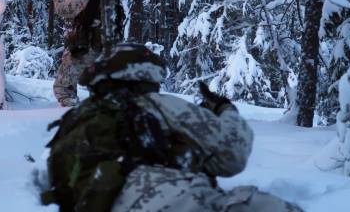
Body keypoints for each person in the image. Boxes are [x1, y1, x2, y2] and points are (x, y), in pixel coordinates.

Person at [41, 43, 303, 212]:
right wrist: (224, 111)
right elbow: (232, 157)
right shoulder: (155, 104)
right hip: (159, 198)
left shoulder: (81, 115)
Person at [45, 0, 102, 107]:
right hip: (106, 46)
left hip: (87, 45)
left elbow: (63, 10)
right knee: (100, 88)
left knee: (64, 88)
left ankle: (68, 116)